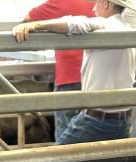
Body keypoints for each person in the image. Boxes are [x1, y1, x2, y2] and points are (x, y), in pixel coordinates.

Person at [12, 0, 136, 145]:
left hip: (98, 117)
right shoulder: (128, 28)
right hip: (122, 119)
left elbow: (74, 24)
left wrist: (35, 25)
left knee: (57, 158)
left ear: (106, 4)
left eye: (97, 3)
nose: (93, 7)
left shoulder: (106, 25)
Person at [23, 0, 96, 140]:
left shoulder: (59, 2)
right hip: (97, 80)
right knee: (93, 134)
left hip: (69, 78)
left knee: (65, 132)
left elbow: (27, 19)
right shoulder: (103, 4)